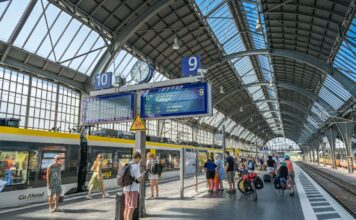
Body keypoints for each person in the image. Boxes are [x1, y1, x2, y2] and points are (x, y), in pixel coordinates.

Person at [124, 152, 145, 220]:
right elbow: (138, 180)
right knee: (131, 209)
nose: (139, 161)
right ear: (138, 158)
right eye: (140, 159)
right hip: (133, 190)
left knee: (127, 208)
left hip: (126, 189)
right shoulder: (135, 166)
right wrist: (142, 175)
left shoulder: (127, 164)